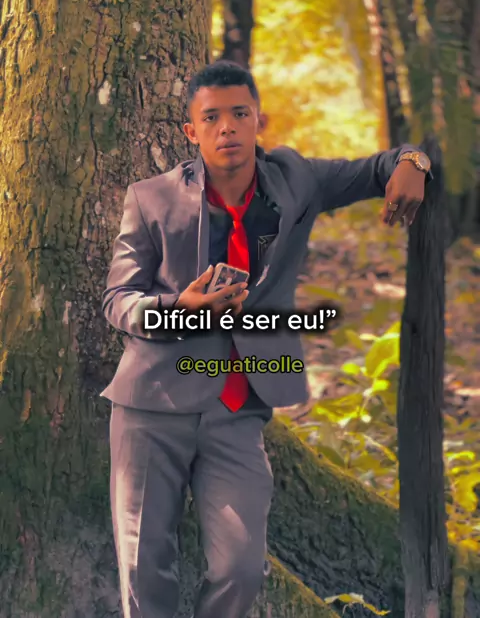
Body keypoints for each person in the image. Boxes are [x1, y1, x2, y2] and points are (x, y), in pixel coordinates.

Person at [100, 60, 433, 618]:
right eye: (211, 118)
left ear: (259, 120)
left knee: (242, 567)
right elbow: (118, 299)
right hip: (152, 405)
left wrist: (414, 161)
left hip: (238, 410)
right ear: (191, 131)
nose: (227, 127)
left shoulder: (296, 179)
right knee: (144, 568)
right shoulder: (151, 198)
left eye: (239, 113)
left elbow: (380, 166)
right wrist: (178, 309)